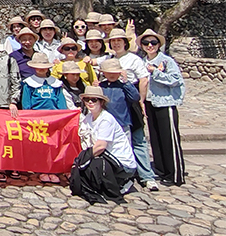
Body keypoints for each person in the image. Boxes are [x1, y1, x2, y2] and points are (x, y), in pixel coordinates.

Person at [106, 29, 156, 191]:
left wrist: (141, 99)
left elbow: (143, 79)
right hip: (117, 99)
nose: (116, 43)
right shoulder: (110, 59)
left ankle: (146, 175)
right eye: (113, 41)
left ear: (125, 42)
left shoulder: (133, 59)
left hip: (131, 96)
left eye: (119, 40)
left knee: (138, 138)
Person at [74, 85, 137, 204]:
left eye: (94, 100)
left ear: (101, 102)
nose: (90, 102)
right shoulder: (88, 118)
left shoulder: (106, 120)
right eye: (87, 99)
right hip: (106, 157)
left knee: (93, 163)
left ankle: (120, 182)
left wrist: (81, 159)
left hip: (121, 163)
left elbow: (100, 146)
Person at [138, 29, 186, 186]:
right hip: (151, 103)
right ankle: (162, 170)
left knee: (169, 139)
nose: (150, 45)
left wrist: (156, 73)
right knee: (156, 139)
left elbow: (176, 80)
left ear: (159, 44)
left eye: (153, 42)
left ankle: (176, 174)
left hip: (166, 103)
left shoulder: (166, 61)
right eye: (146, 43)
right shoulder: (143, 61)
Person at [20, 53, 66, 184]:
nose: (41, 69)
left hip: (53, 119)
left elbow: (61, 102)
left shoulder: (55, 83)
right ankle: (42, 170)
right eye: (38, 66)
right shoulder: (29, 83)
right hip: (37, 119)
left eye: (44, 66)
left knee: (53, 146)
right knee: (40, 146)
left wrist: (62, 116)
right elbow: (26, 103)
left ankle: (53, 169)